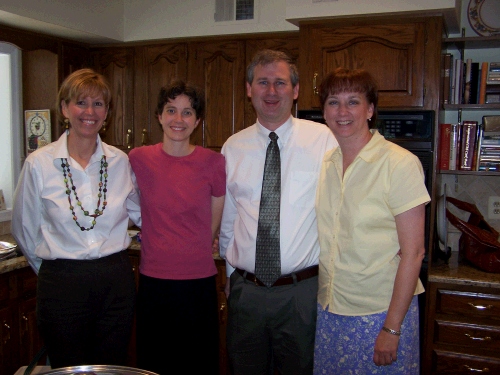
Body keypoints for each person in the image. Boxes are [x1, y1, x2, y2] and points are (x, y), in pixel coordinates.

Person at [12, 68, 141, 368]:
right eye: (81, 102)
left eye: (99, 104)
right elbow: (25, 229)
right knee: (67, 366)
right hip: (62, 284)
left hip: (115, 281)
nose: (89, 111)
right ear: (64, 109)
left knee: (111, 365)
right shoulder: (39, 164)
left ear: (107, 112)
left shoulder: (120, 162)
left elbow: (140, 212)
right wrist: (56, 270)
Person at [219, 49, 337, 375]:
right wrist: (231, 276)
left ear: (295, 90)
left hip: (301, 294)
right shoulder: (232, 147)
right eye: (263, 82)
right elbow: (229, 220)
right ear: (249, 89)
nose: (271, 92)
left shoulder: (324, 140)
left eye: (280, 83)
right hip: (247, 292)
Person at [313, 67, 430, 374]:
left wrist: (391, 330)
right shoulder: (327, 163)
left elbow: (414, 252)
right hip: (330, 307)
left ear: (370, 109)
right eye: (333, 102)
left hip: (380, 314)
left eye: (353, 101)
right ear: (323, 111)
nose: (342, 111)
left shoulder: (399, 164)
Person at [129, 79, 226, 375]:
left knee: (198, 363)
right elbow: (125, 201)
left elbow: (214, 219)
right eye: (171, 110)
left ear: (197, 121)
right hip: (153, 280)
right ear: (159, 116)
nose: (178, 119)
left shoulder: (213, 162)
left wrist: (195, 245)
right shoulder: (138, 158)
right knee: (154, 363)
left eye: (187, 112)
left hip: (198, 281)